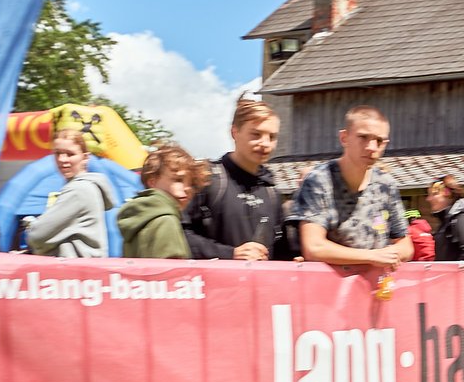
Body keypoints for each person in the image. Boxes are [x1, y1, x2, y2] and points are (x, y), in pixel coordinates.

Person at [288, 105, 412, 269]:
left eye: (379, 141)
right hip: (331, 283)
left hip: (375, 284)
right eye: (363, 137)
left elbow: (406, 246)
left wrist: (389, 255)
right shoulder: (319, 180)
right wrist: (372, 257)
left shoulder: (386, 185)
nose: (372, 147)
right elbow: (314, 248)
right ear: (344, 138)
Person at [184, 99, 296, 261]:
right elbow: (180, 235)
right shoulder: (207, 178)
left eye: (272, 137)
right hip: (211, 277)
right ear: (234, 132)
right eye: (256, 134)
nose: (265, 143)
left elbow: (280, 250)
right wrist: (229, 254)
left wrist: (293, 261)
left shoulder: (272, 191)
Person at [25, 128, 117, 257]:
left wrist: (32, 227)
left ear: (85, 157)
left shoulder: (78, 190)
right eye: (57, 153)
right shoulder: (86, 186)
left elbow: (37, 236)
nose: (62, 159)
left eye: (70, 154)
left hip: (75, 267)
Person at [118, 143, 207, 259]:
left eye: (191, 183)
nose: (187, 188)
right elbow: (170, 269)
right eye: (178, 180)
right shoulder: (166, 221)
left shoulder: (140, 217)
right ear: (153, 182)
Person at [429, 175, 464, 262]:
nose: (429, 199)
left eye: (434, 194)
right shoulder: (447, 220)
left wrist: (454, 269)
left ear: (446, 193)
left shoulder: (462, 218)